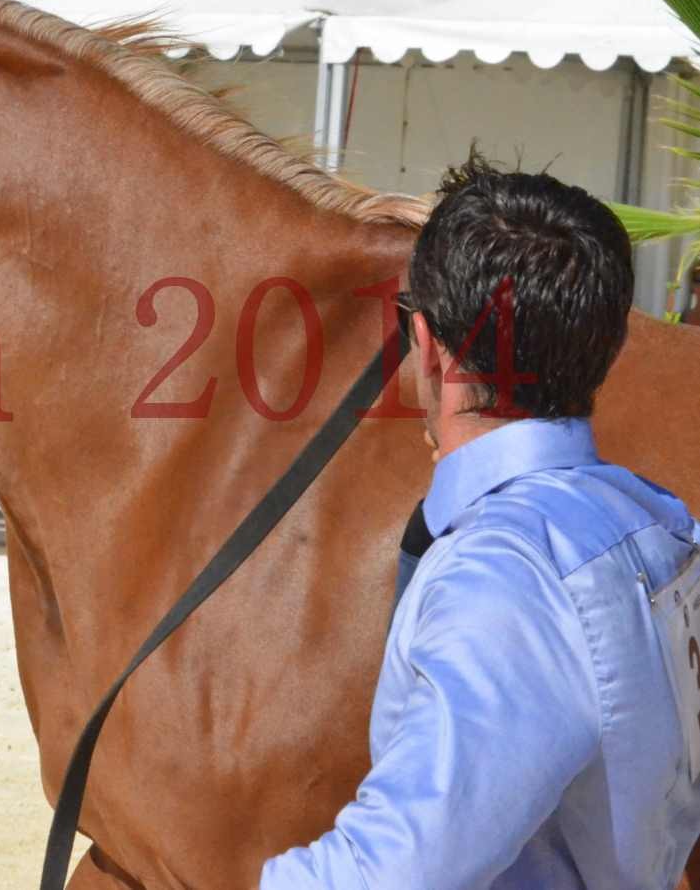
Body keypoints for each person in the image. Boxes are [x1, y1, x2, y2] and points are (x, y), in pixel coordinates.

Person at [262, 158, 700, 888]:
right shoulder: (655, 520)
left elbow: (393, 874)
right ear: (609, 349)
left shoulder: (505, 573)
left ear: (428, 343)